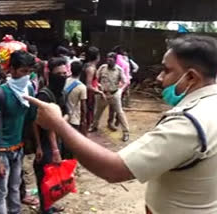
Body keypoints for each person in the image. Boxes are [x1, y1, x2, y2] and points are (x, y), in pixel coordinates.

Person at [26, 35, 217, 214]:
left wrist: (58, 124)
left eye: (166, 70)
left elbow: (114, 169)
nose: (159, 77)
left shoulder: (188, 124)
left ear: (191, 77)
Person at [0, 50, 37, 214]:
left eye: (29, 72)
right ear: (12, 70)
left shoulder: (28, 89)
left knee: (15, 187)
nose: (26, 76)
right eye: (23, 71)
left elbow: (31, 118)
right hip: (1, 151)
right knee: (1, 192)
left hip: (18, 148)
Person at [34, 57, 68, 214]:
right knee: (45, 177)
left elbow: (66, 114)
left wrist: (59, 121)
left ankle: (49, 206)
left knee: (54, 176)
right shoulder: (44, 95)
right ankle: (45, 209)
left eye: (64, 73)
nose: (62, 76)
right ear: (50, 73)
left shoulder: (60, 93)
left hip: (57, 139)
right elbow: (38, 124)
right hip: (47, 142)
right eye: (58, 73)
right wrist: (41, 147)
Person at [91, 52, 130, 141]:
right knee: (97, 112)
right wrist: (98, 87)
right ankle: (94, 126)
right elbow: (96, 78)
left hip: (114, 94)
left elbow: (125, 81)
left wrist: (121, 90)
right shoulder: (102, 68)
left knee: (120, 113)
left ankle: (126, 132)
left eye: (111, 60)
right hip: (103, 93)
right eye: (108, 59)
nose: (108, 61)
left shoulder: (119, 70)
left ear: (115, 60)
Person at [81, 46, 103, 129]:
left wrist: (98, 85)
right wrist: (100, 92)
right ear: (97, 56)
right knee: (88, 114)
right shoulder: (90, 68)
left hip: (90, 94)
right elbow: (88, 85)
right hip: (88, 95)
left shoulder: (89, 65)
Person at [64, 61, 87, 135]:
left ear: (70, 69)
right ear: (81, 71)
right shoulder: (82, 87)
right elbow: (83, 107)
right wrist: (83, 120)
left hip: (64, 115)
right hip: (74, 119)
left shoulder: (65, 80)